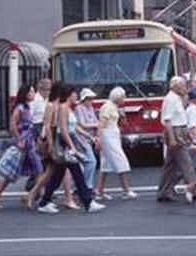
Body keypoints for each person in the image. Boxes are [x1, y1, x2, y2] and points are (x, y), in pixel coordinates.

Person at [37, 85, 105, 214]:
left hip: (68, 142)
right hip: (64, 144)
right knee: (77, 172)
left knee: (58, 175)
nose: (77, 97)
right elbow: (63, 130)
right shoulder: (63, 108)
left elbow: (75, 127)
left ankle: (44, 202)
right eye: (75, 94)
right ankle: (88, 201)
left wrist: (89, 137)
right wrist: (72, 146)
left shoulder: (67, 108)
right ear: (69, 94)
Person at [0, 84, 42, 209]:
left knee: (38, 170)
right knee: (12, 172)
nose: (34, 94)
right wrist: (19, 140)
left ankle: (35, 195)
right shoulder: (20, 108)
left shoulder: (27, 107)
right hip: (24, 142)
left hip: (30, 142)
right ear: (26, 94)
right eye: (32, 92)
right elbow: (13, 125)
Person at [156, 76, 196, 203]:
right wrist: (173, 138)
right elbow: (167, 120)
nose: (185, 88)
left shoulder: (176, 98)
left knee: (171, 166)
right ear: (176, 86)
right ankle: (194, 190)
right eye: (183, 86)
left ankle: (164, 192)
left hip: (179, 131)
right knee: (187, 163)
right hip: (175, 132)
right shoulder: (171, 99)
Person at [94, 86, 137, 200]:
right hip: (108, 136)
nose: (125, 99)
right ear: (118, 97)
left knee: (106, 163)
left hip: (111, 134)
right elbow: (102, 123)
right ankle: (126, 190)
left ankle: (100, 191)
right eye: (123, 97)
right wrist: (98, 138)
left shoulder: (113, 106)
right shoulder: (108, 107)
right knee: (120, 160)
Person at [74, 88, 100, 191]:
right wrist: (96, 124)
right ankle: (86, 185)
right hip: (82, 139)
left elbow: (94, 121)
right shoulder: (79, 108)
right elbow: (82, 124)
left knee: (85, 163)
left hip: (89, 138)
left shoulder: (90, 108)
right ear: (84, 99)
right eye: (88, 99)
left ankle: (83, 184)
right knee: (91, 161)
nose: (91, 101)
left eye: (92, 99)